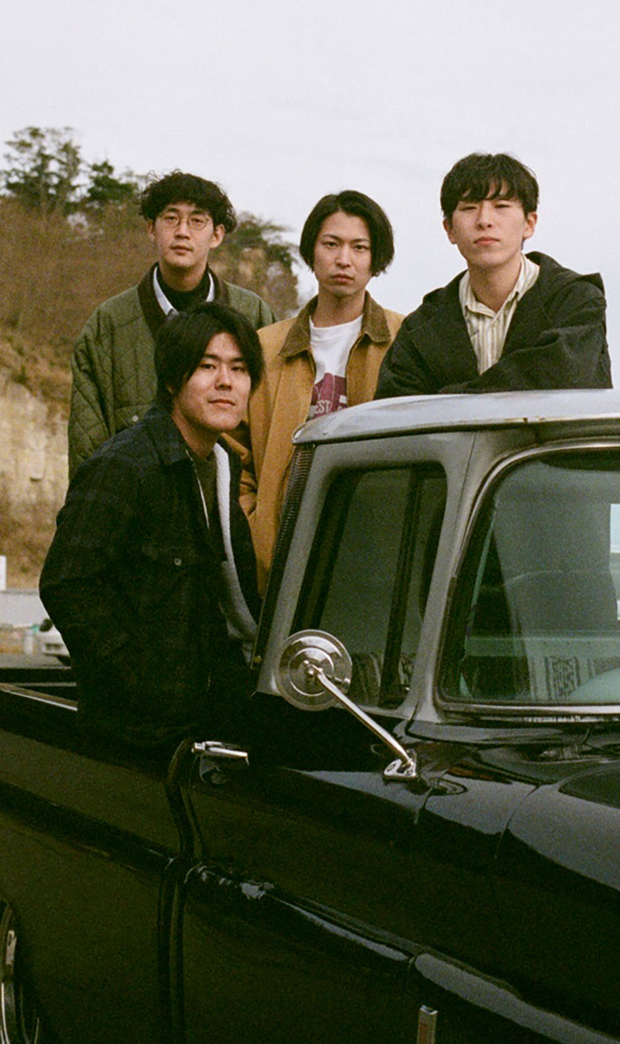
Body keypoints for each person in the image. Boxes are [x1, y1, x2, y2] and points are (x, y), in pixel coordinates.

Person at [41, 305, 264, 748]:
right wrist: (136, 683)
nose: (226, 382)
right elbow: (67, 584)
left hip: (205, 724)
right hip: (134, 736)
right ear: (172, 380)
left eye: (239, 369)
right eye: (207, 366)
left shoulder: (222, 468)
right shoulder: (124, 466)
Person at [241, 190, 402, 588]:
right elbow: (234, 453)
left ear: (376, 259)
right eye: (331, 244)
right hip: (282, 553)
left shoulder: (404, 338)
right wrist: (253, 525)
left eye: (359, 247)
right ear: (312, 252)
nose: (343, 259)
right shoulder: (265, 347)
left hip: (377, 550)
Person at [69, 170, 275, 475]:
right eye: (171, 219)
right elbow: (86, 448)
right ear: (151, 229)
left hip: (226, 499)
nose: (182, 232)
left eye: (197, 221)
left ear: (216, 235)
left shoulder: (254, 314)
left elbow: (268, 431)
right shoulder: (108, 324)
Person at [375, 152, 611, 399]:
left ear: (529, 224)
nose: (484, 220)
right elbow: (397, 408)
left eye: (501, 206)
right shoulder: (422, 327)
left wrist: (445, 400)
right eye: (469, 208)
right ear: (449, 229)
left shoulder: (576, 301)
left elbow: (565, 382)